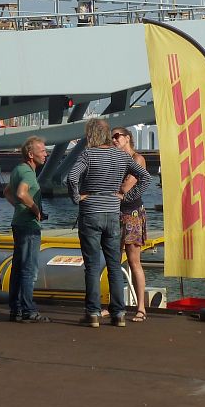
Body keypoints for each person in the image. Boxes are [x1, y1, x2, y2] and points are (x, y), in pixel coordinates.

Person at [67, 117, 151, 328]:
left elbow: (72, 177)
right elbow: (145, 177)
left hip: (91, 212)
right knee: (114, 264)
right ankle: (119, 313)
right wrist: (128, 197)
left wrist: (77, 197)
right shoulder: (121, 156)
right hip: (113, 213)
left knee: (93, 265)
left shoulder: (88, 154)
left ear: (91, 135)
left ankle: (93, 312)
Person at [2, 136, 50, 323]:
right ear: (31, 154)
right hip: (29, 226)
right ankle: (29, 309)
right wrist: (35, 209)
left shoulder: (18, 169)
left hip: (18, 223)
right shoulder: (29, 173)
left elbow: (8, 191)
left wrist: (17, 207)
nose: (46, 154)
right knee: (29, 268)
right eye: (42, 151)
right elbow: (22, 193)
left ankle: (16, 309)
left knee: (18, 267)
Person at [113, 127, 149, 323]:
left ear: (127, 138)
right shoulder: (117, 160)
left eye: (117, 136)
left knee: (134, 261)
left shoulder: (137, 159)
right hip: (116, 212)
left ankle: (141, 307)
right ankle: (115, 306)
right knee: (114, 260)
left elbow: (126, 186)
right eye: (112, 137)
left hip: (133, 213)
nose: (114, 140)